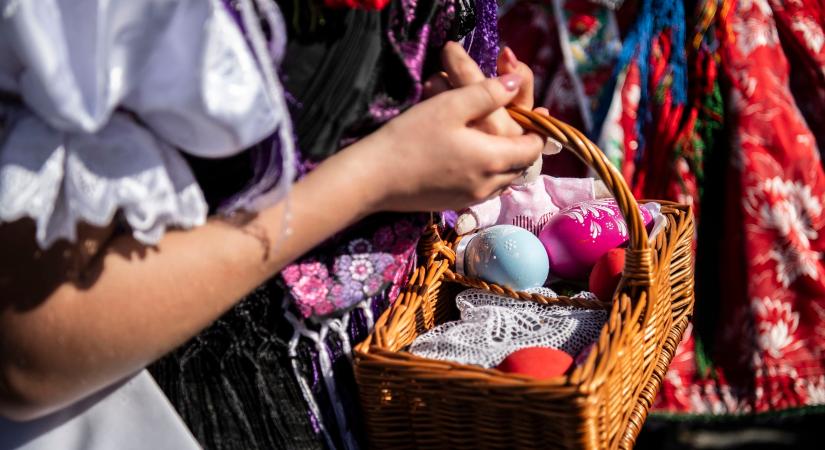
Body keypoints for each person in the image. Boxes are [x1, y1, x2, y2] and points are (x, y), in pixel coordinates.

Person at [0, 0, 553, 448]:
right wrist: (376, 176)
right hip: (206, 405)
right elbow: (32, 350)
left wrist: (479, 127)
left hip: (394, 371)